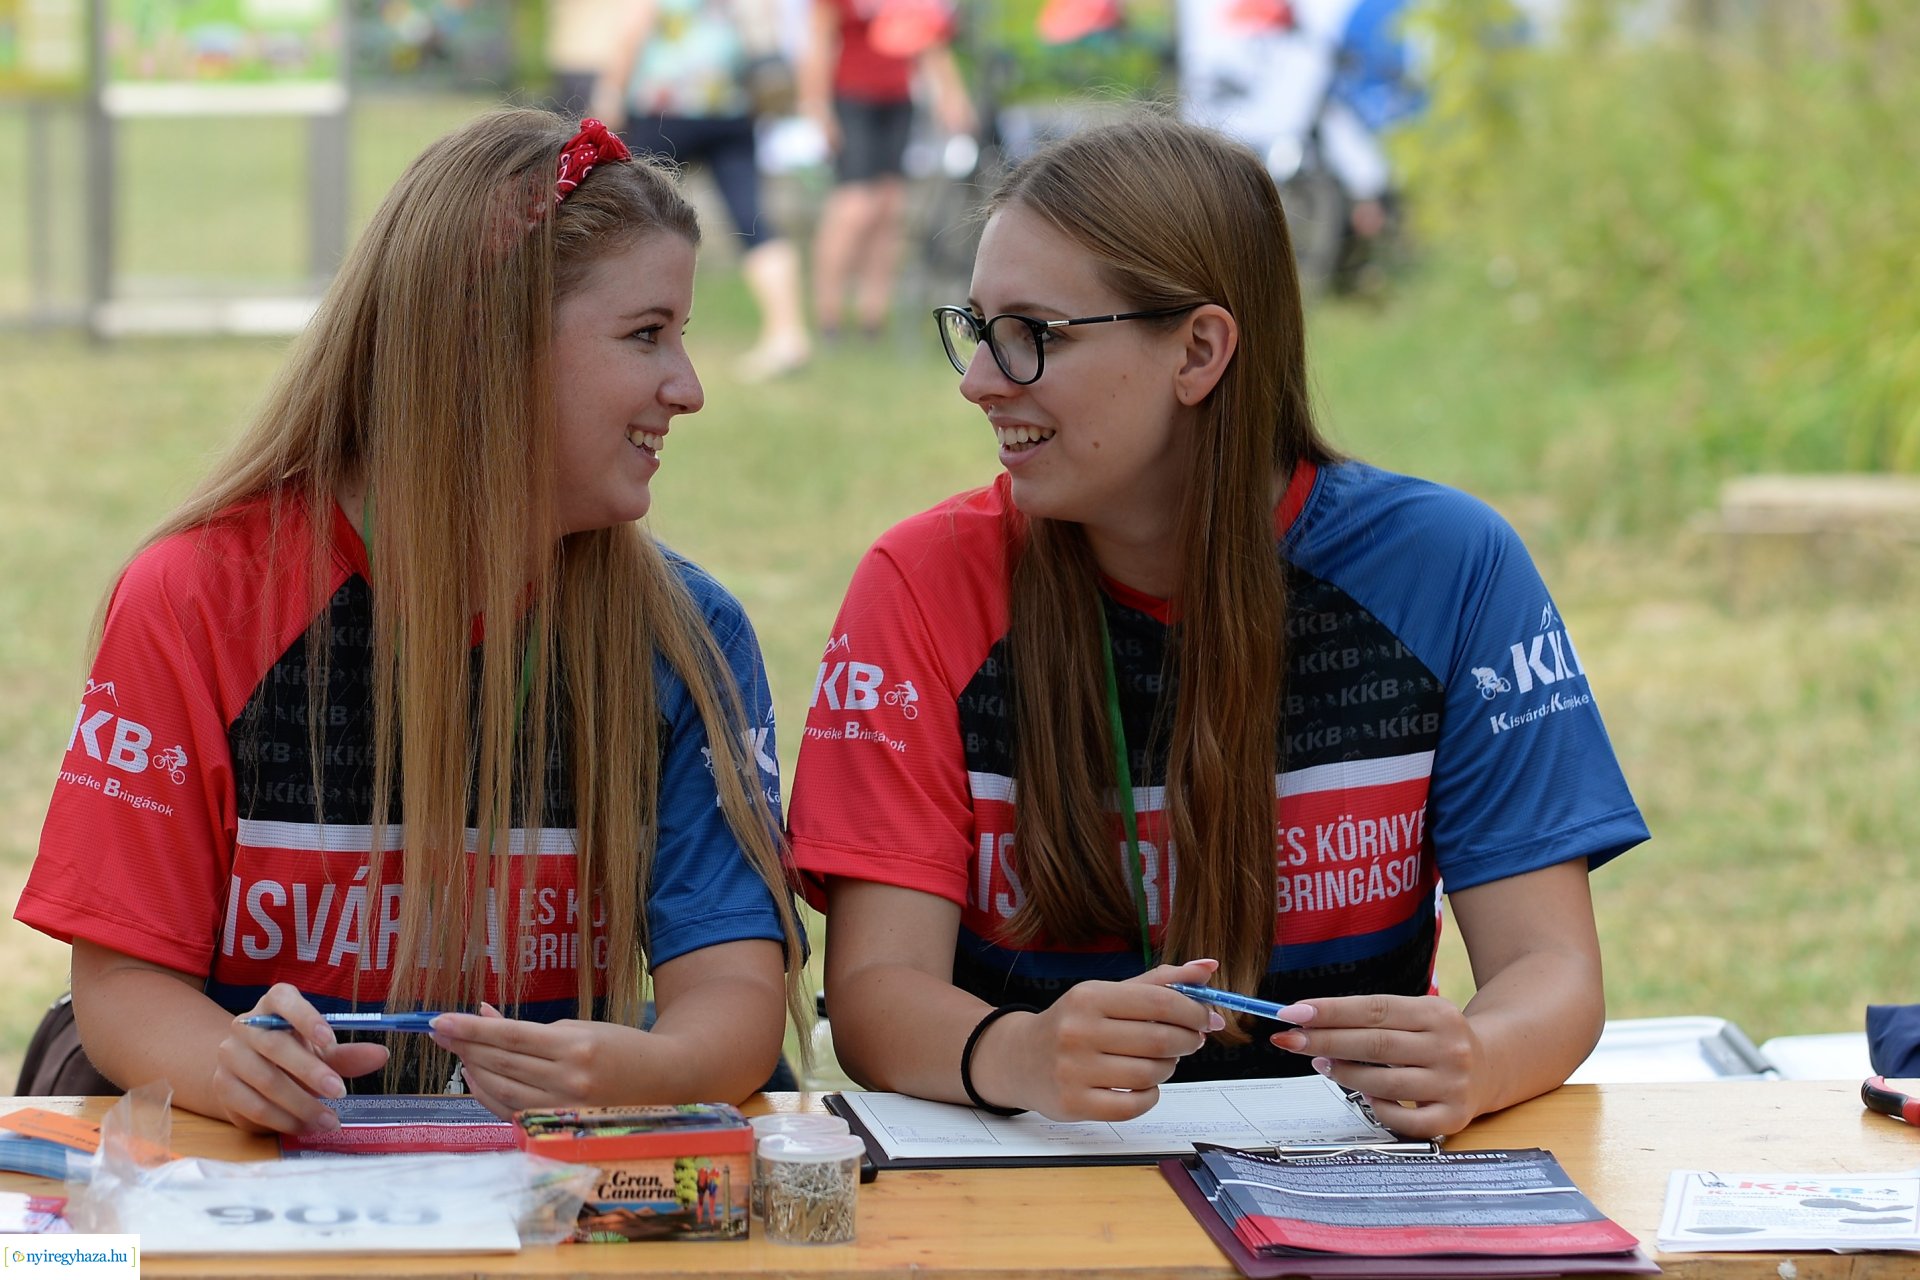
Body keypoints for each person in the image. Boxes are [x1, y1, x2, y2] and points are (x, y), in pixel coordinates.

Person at [785, 114, 1647, 1139]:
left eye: (1033, 336)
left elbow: (1552, 969)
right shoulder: (921, 584)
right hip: (1037, 1170)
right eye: (977, 329)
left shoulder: (1449, 568)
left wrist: (1481, 1055)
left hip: (1341, 1180)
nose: (978, 380)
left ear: (1199, 350)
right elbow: (875, 991)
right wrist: (1019, 1052)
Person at [13, 110, 809, 1136]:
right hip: (248, 1180)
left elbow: (736, 1004)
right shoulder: (198, 598)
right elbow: (120, 982)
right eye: (646, 333)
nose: (688, 389)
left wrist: (644, 1069)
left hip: (541, 1193)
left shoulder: (687, 636)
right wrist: (234, 1065)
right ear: (485, 344)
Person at [596, 0, 813, 382]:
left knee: (627, 218)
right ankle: (788, 333)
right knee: (753, 221)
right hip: (731, 109)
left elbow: (634, 29)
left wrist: (610, 92)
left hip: (666, 106)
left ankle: (616, 325)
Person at [801, 0, 974, 340]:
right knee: (854, 207)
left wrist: (952, 96)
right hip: (851, 96)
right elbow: (819, 41)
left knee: (889, 207)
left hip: (897, 99)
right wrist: (817, 106)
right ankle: (829, 315)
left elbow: (930, 40)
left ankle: (873, 316)